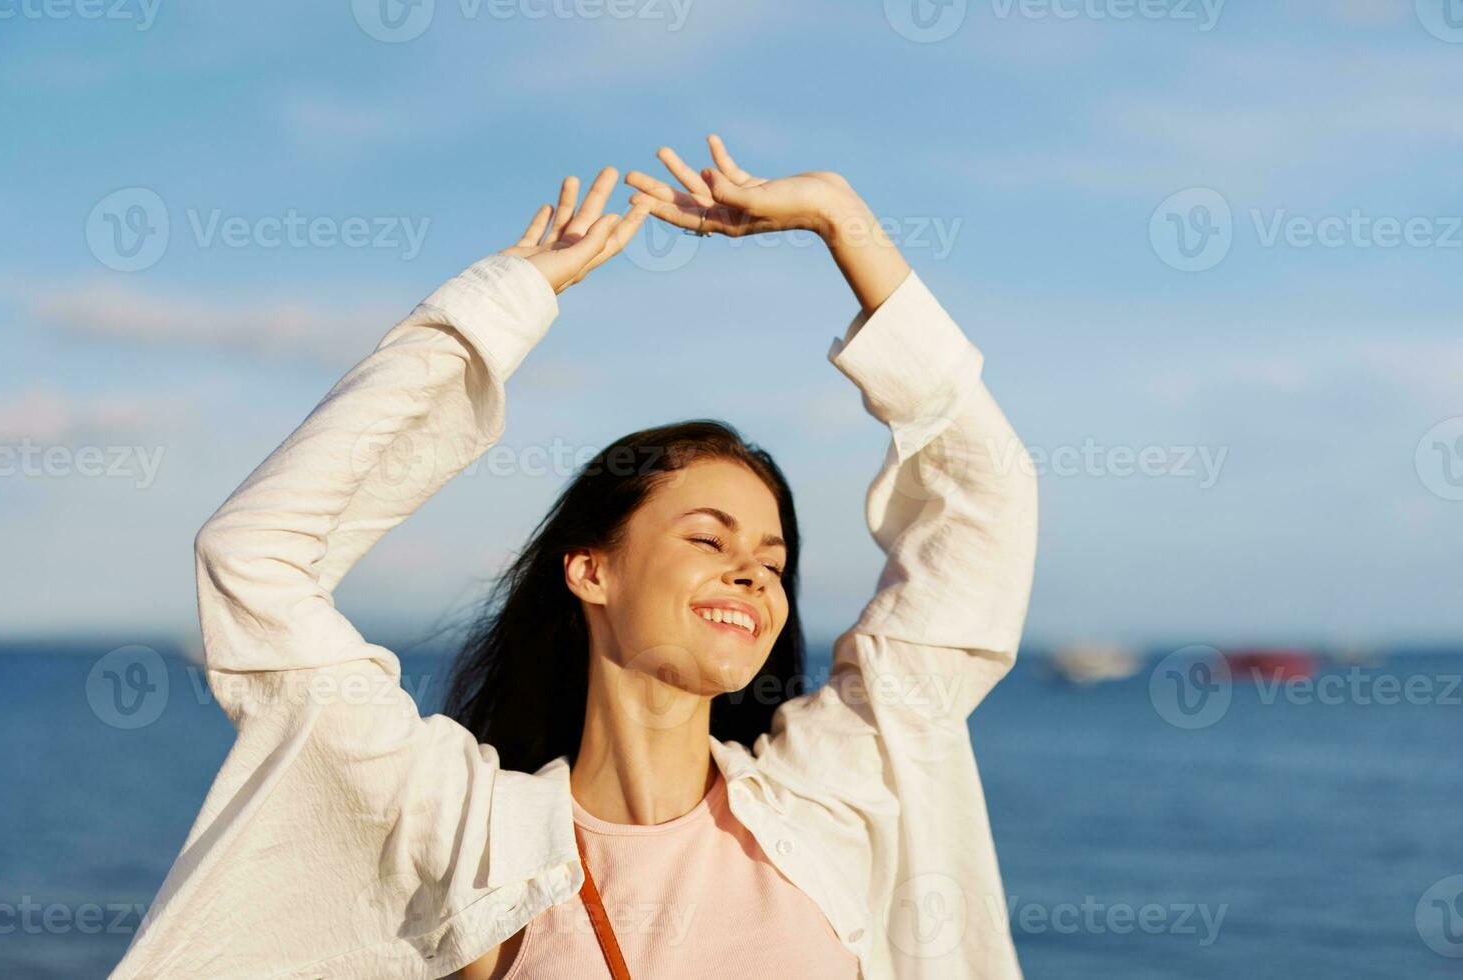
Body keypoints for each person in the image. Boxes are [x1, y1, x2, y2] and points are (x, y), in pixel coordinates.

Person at [109, 134, 1038, 980]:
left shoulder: (826, 800)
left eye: (771, 557)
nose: (754, 574)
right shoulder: (469, 834)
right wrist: (499, 304)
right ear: (590, 570)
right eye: (708, 538)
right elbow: (254, 557)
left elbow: (983, 503)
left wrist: (845, 220)